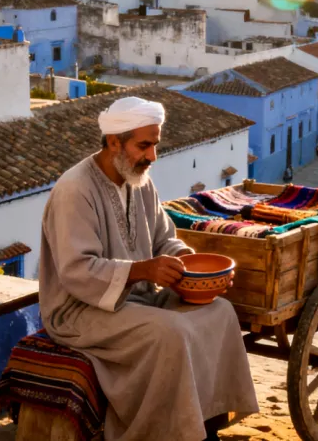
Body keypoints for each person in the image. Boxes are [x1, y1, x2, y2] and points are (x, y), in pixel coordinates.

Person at [38, 96, 259, 441]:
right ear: (114, 142)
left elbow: (163, 240)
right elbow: (77, 270)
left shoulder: (140, 180)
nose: (152, 156)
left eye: (155, 145)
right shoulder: (75, 190)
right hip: (79, 311)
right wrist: (143, 271)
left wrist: (193, 269)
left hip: (137, 297)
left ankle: (207, 422)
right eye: (144, 145)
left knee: (220, 313)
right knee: (169, 332)